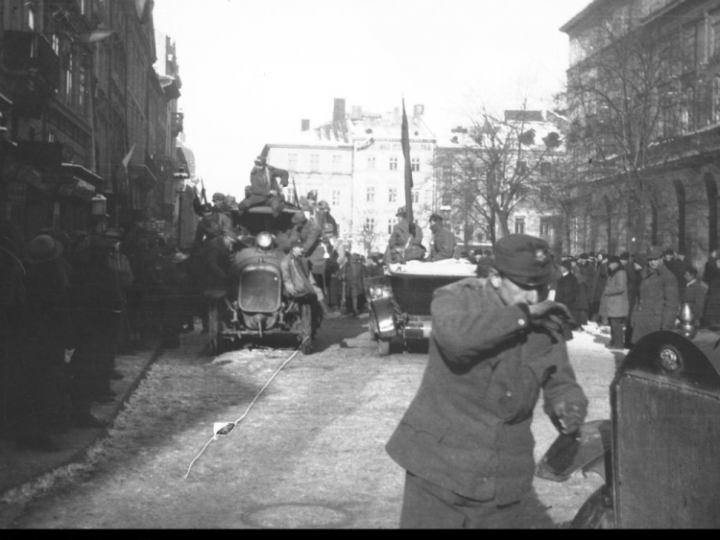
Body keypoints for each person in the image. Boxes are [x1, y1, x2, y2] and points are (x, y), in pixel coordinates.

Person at [386, 234, 588, 529]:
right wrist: (523, 317)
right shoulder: (457, 298)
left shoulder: (547, 324)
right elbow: (457, 341)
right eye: (526, 287)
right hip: (440, 471)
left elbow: (561, 381)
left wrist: (569, 405)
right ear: (495, 277)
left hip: (501, 480)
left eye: (542, 287)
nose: (535, 297)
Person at [629, 246, 680, 346]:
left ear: (662, 258)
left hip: (656, 324)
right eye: (650, 260)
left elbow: (671, 304)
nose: (652, 262)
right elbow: (638, 299)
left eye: (655, 259)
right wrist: (634, 317)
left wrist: (666, 326)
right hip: (641, 322)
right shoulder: (645, 275)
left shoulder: (668, 277)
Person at [602, 255, 629, 350]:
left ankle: (618, 344)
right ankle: (614, 342)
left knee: (616, 325)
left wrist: (608, 290)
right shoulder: (614, 272)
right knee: (613, 324)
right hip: (613, 304)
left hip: (618, 304)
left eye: (610, 264)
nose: (609, 266)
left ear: (616, 263)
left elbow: (620, 288)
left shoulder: (620, 272)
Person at [555, 259, 581, 329]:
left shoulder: (572, 278)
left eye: (562, 267)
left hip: (569, 303)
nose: (560, 268)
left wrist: (570, 298)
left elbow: (576, 290)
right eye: (560, 266)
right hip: (560, 301)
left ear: (566, 268)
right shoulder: (560, 277)